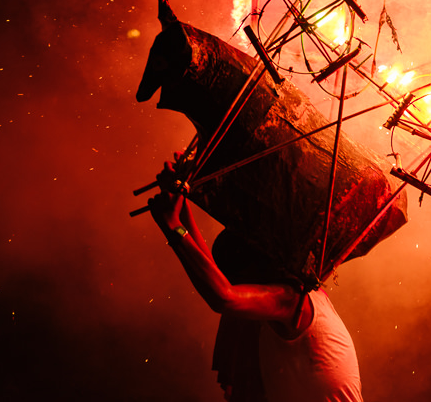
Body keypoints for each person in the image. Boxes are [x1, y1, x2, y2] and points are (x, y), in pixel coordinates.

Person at [148, 161, 363, 402]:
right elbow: (215, 274)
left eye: (239, 279)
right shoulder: (290, 286)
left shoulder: (292, 300)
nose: (242, 288)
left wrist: (173, 226)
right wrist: (181, 197)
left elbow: (224, 296)